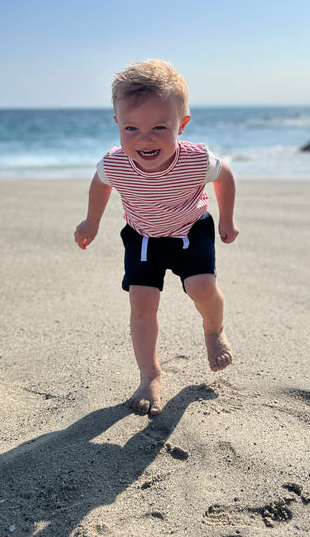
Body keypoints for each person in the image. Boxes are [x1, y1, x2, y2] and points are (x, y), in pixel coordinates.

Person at [74, 59, 239, 415]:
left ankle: (214, 329)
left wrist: (227, 218)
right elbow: (100, 185)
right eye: (131, 127)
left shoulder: (196, 161)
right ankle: (150, 374)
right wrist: (91, 223)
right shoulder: (115, 163)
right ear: (117, 123)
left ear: (182, 124)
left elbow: (225, 176)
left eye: (159, 127)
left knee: (201, 289)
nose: (144, 139)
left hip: (190, 230)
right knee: (142, 301)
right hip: (143, 236)